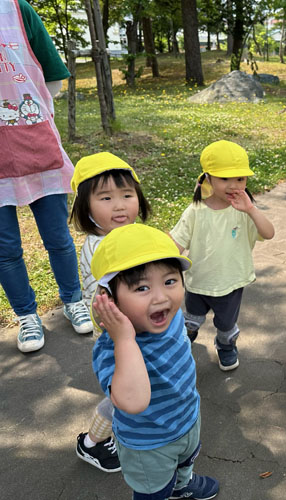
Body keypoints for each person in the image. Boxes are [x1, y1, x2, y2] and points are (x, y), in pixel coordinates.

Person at [91, 224, 219, 500]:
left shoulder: (168, 316)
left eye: (170, 281)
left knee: (186, 461)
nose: (161, 297)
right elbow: (134, 402)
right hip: (148, 444)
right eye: (142, 287)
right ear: (110, 300)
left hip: (187, 418)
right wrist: (125, 339)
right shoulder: (112, 348)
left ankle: (182, 484)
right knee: (153, 491)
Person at [1, 0, 92, 353]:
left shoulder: (18, 9)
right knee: (5, 248)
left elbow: (52, 73)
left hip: (34, 140)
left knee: (57, 236)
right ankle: (26, 315)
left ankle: (73, 300)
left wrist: (32, 113)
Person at [69, 152, 151, 473]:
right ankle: (92, 442)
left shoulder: (126, 236)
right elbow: (111, 304)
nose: (120, 205)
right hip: (115, 334)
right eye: (106, 197)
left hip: (133, 331)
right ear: (86, 208)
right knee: (122, 394)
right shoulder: (99, 247)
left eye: (127, 195)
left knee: (134, 387)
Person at [171, 140, 274, 371]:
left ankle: (225, 346)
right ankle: (182, 345)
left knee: (226, 324)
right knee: (192, 319)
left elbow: (268, 233)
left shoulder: (244, 212)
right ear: (207, 179)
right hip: (198, 281)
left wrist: (251, 210)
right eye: (224, 178)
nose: (234, 185)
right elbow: (175, 243)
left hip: (231, 282)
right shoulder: (195, 211)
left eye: (240, 179)